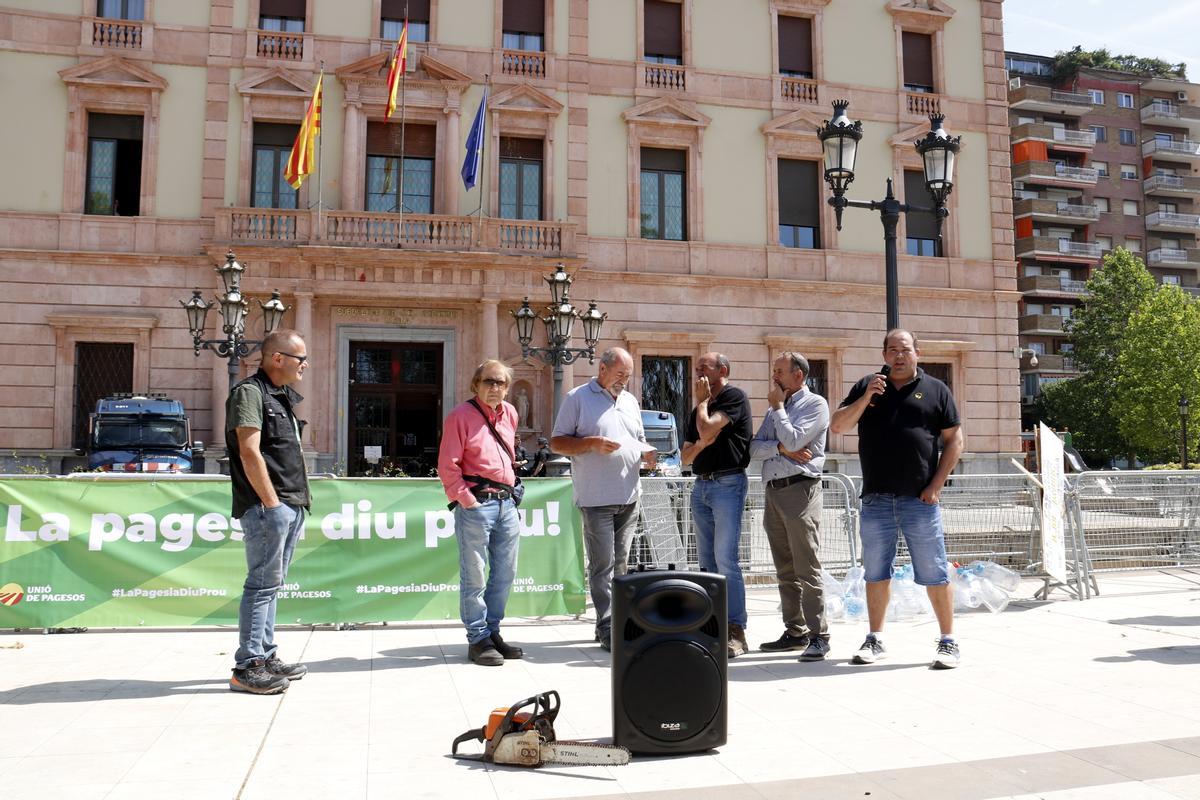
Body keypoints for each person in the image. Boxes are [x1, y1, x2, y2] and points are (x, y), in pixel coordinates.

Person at [830, 329, 964, 669]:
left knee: (934, 571)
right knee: (875, 572)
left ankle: (948, 641)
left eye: (904, 349)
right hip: (876, 499)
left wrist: (936, 485)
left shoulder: (937, 390)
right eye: (892, 350)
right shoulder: (867, 385)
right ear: (884, 354)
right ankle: (874, 638)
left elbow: (954, 441)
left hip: (919, 501)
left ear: (918, 351)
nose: (898, 356)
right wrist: (865, 399)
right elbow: (837, 426)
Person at [551, 348, 654, 652]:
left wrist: (646, 454)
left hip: (630, 495)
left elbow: (637, 437)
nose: (624, 380)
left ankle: (620, 621)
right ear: (603, 368)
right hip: (596, 497)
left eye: (628, 375)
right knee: (603, 565)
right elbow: (558, 441)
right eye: (620, 374)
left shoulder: (631, 401)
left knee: (621, 564)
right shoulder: (577, 398)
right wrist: (591, 443)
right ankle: (606, 625)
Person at [227, 329, 312, 695]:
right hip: (269, 506)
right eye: (300, 358)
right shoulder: (250, 392)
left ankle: (266, 654)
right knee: (261, 585)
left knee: (272, 586)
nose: (305, 365)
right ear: (277, 359)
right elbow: (249, 451)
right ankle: (248, 665)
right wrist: (272, 504)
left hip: (289, 504)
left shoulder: (280, 396)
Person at [437, 359, 525, 667]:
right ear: (476, 384)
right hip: (477, 504)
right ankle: (477, 639)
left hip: (506, 503)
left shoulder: (511, 413)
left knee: (505, 573)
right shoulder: (460, 416)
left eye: (501, 383)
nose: (495, 388)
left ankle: (492, 631)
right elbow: (447, 465)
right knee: (474, 574)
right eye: (489, 381)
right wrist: (466, 500)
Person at [749, 352, 831, 662]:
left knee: (806, 567)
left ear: (798, 376)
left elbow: (797, 441)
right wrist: (780, 447)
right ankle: (794, 631)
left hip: (801, 490)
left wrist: (780, 412)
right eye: (774, 370)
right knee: (784, 569)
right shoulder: (774, 409)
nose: (774, 377)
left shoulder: (815, 405)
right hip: (774, 493)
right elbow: (755, 448)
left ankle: (819, 635)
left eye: (779, 371)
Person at [682, 352, 753, 658]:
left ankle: (736, 630)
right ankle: (712, 626)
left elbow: (708, 427)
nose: (697, 372)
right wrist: (700, 445)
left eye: (704, 368)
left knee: (726, 560)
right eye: (696, 368)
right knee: (707, 562)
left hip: (727, 483)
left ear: (722, 370)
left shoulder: (733, 397)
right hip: (701, 486)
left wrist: (702, 406)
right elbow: (685, 457)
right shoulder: (698, 406)